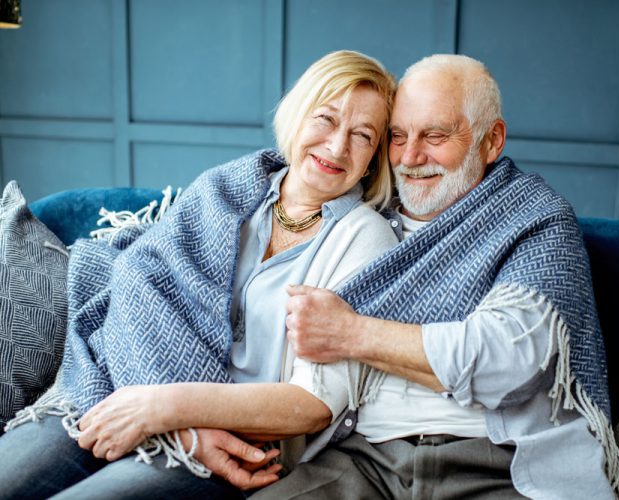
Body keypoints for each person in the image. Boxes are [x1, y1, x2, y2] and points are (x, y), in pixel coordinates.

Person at [252, 55, 619, 499]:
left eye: (434, 135)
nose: (410, 157)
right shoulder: (364, 215)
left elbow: (510, 359)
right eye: (398, 136)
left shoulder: (534, 218)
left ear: (491, 140)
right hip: (361, 460)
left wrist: (350, 333)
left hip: (497, 464)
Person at [0, 50, 400, 498]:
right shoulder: (224, 189)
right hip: (115, 390)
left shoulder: (364, 239)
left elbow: (315, 404)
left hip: (234, 447)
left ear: (374, 158)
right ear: (297, 114)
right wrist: (177, 427)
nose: (337, 146)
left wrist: (166, 415)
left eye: (362, 135)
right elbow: (139, 287)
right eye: (326, 119)